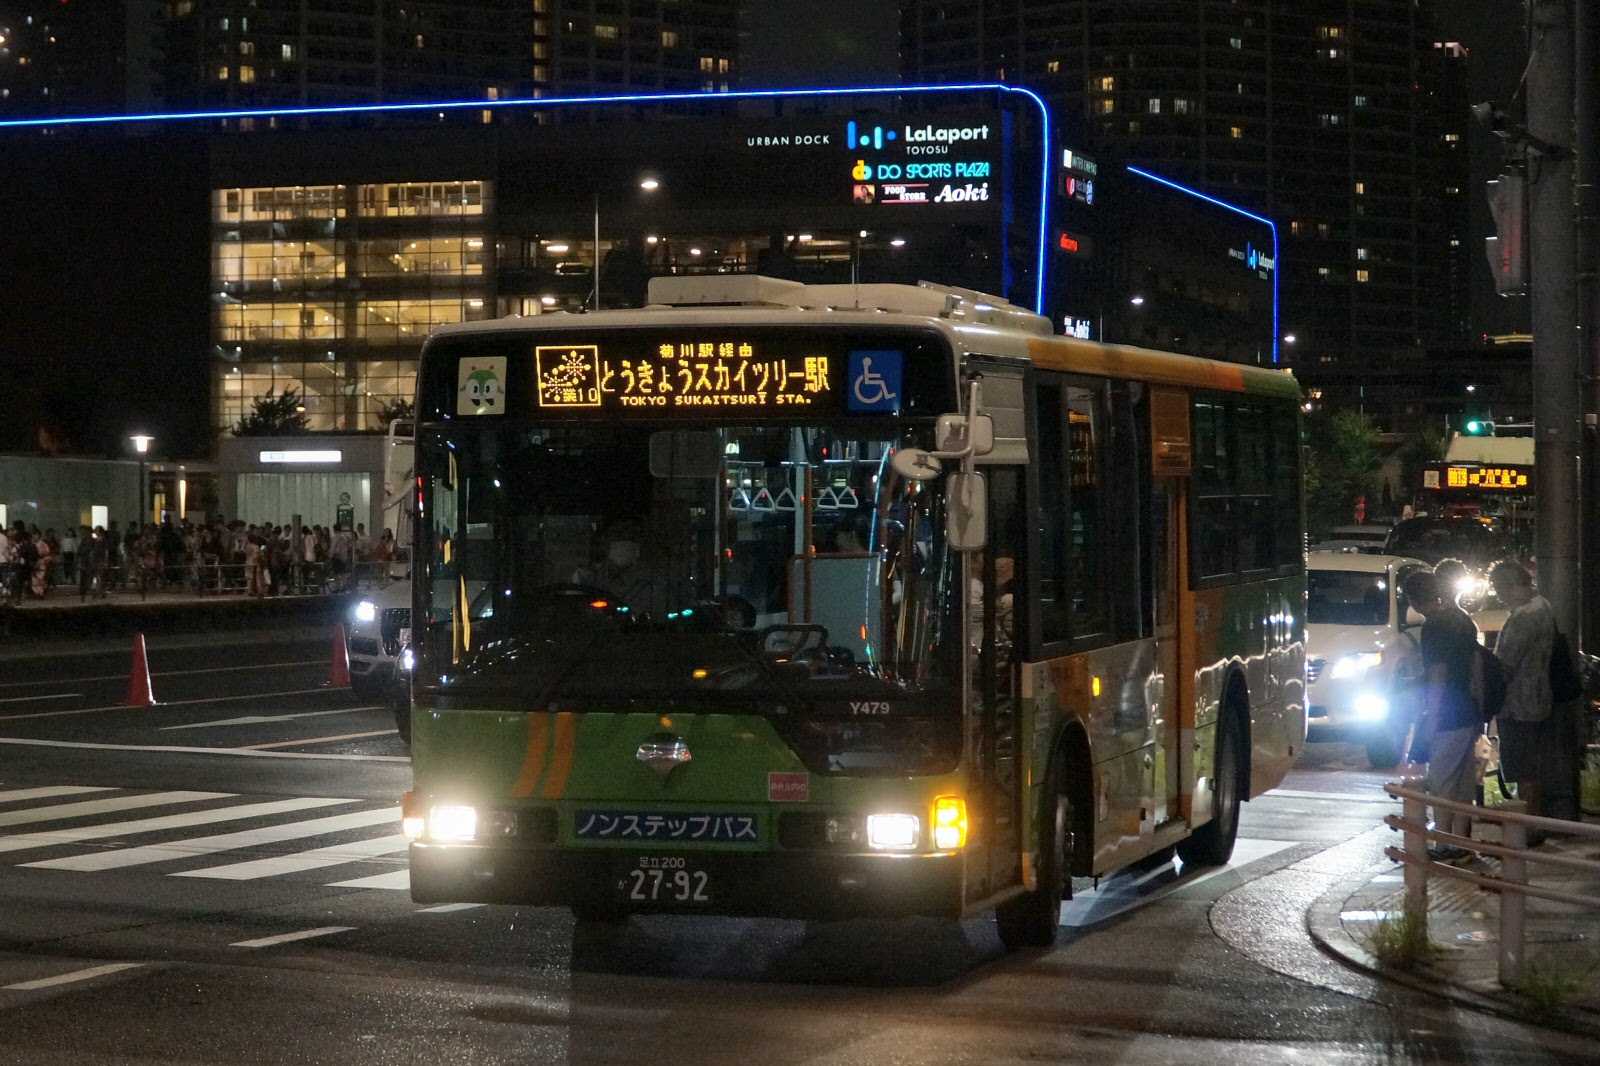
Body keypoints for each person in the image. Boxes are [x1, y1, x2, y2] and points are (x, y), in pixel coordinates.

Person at [1489, 560, 1580, 825]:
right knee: (1533, 768)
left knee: (1523, 769)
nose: (1498, 594)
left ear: (1515, 585)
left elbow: (1506, 663)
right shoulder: (1543, 606)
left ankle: (1529, 825)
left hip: (1519, 704)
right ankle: (1533, 821)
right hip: (1537, 700)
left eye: (1500, 588)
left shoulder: (1524, 616)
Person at [1401, 570, 1483, 862]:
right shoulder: (1461, 620)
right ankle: (1461, 842)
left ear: (1412, 599)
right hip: (1470, 708)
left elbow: (1438, 675)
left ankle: (1443, 846)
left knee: (1441, 783)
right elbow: (1475, 667)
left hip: (1447, 712)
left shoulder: (1434, 627)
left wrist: (1430, 720)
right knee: (1462, 783)